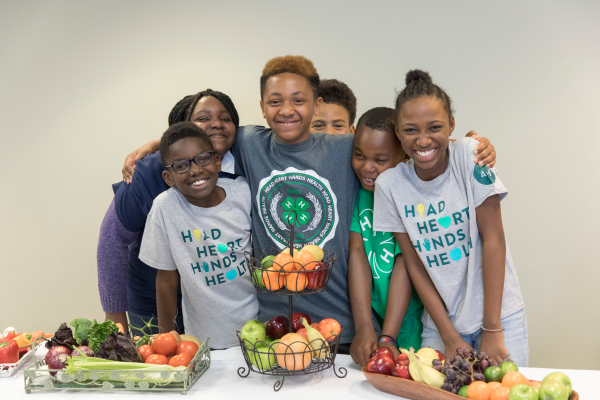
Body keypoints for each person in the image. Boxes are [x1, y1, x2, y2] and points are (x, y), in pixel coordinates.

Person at [119, 56, 497, 352]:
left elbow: (409, 137)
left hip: (341, 325)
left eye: (298, 100)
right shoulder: (250, 142)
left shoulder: (347, 147)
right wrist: (158, 145)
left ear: (316, 105)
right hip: (271, 325)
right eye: (275, 101)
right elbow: (204, 138)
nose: (287, 109)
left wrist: (469, 144)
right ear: (262, 107)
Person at [373, 70, 528, 366]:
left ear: (451, 125)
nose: (423, 140)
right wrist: (448, 335)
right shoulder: (390, 186)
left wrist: (492, 328)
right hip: (441, 325)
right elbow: (414, 263)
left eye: (434, 127)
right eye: (410, 130)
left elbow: (494, 239)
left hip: (499, 315)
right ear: (397, 131)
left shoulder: (469, 156)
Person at [97, 89, 241, 333]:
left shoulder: (245, 165)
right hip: (153, 300)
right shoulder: (150, 171)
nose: (216, 124)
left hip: (217, 304)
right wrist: (115, 321)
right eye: (203, 119)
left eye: (225, 119)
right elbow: (112, 240)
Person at [139, 122, 256, 349]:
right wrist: (168, 342)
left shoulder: (242, 192)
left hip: (258, 332)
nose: (195, 170)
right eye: (181, 165)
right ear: (168, 178)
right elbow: (166, 280)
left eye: (203, 158)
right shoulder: (164, 208)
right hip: (203, 341)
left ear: (217, 161)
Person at [348, 107, 424, 366]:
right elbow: (356, 252)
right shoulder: (358, 193)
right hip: (372, 317)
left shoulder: (410, 194)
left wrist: (387, 336)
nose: (367, 167)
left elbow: (406, 263)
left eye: (380, 160)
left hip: (410, 321)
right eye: (359, 155)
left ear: (403, 157)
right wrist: (364, 326)